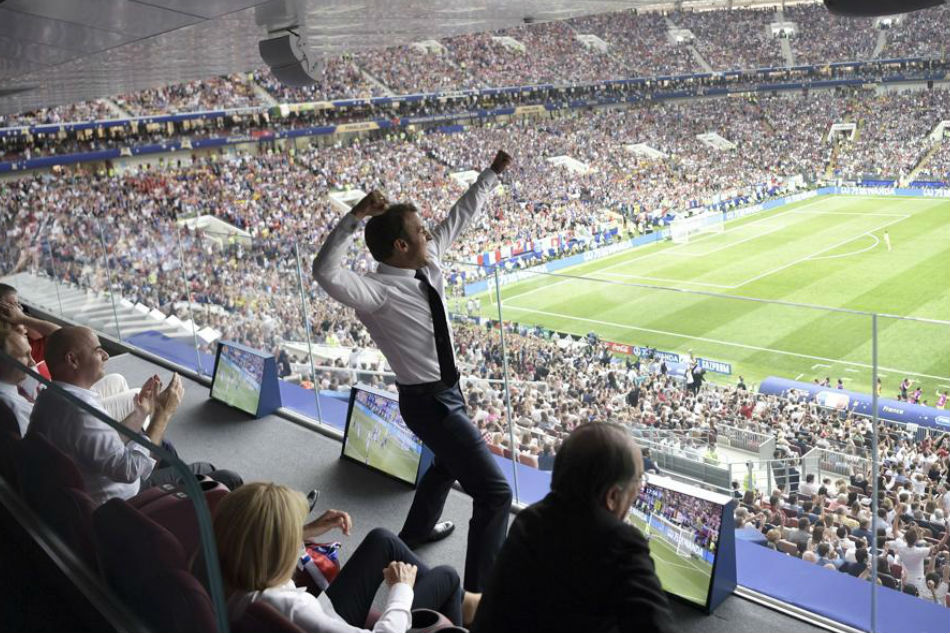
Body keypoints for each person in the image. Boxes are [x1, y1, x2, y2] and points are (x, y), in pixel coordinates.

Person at [313, 150, 513, 592]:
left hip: (447, 393)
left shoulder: (427, 262)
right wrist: (355, 217)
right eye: (421, 231)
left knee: (445, 464)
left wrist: (492, 174)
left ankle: (416, 533)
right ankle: (478, 598)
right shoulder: (376, 292)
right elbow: (324, 271)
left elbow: (459, 217)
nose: (430, 234)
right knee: (496, 493)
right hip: (428, 403)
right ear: (401, 246)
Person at [472, 423, 674, 632]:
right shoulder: (621, 543)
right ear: (613, 496)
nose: (639, 489)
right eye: (638, 480)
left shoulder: (528, 521)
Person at [215, 482, 480, 632]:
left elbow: (257, 542)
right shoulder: (291, 609)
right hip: (337, 622)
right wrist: (402, 589)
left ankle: (464, 601)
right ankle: (462, 605)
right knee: (447, 576)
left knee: (381, 539)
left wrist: (308, 530)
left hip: (326, 611)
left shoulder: (225, 569)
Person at [29, 326, 241, 505]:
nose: (106, 356)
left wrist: (142, 412)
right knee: (222, 476)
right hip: (124, 503)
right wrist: (162, 414)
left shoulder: (48, 399)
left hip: (91, 492)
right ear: (73, 360)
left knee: (165, 449)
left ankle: (183, 488)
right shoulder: (81, 414)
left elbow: (102, 441)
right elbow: (130, 470)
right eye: (98, 351)